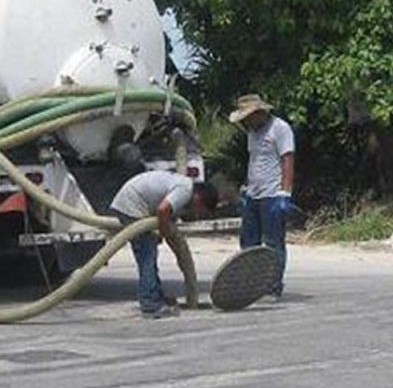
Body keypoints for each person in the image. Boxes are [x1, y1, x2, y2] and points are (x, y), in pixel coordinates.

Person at [110, 171, 219, 318]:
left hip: (132, 202)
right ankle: (150, 304)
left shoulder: (184, 190)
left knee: (149, 255)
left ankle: (156, 297)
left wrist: (170, 240)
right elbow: (162, 210)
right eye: (201, 209)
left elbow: (167, 217)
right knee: (147, 257)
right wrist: (163, 233)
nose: (197, 213)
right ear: (199, 198)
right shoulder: (184, 191)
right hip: (132, 206)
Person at [229, 94, 295, 297]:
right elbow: (255, 161)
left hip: (272, 194)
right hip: (253, 194)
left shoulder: (280, 128)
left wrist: (285, 192)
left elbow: (287, 159)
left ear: (259, 113)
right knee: (248, 243)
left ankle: (272, 286)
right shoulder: (252, 132)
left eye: (248, 117)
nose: (246, 122)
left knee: (273, 242)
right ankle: (252, 284)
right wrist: (246, 187)